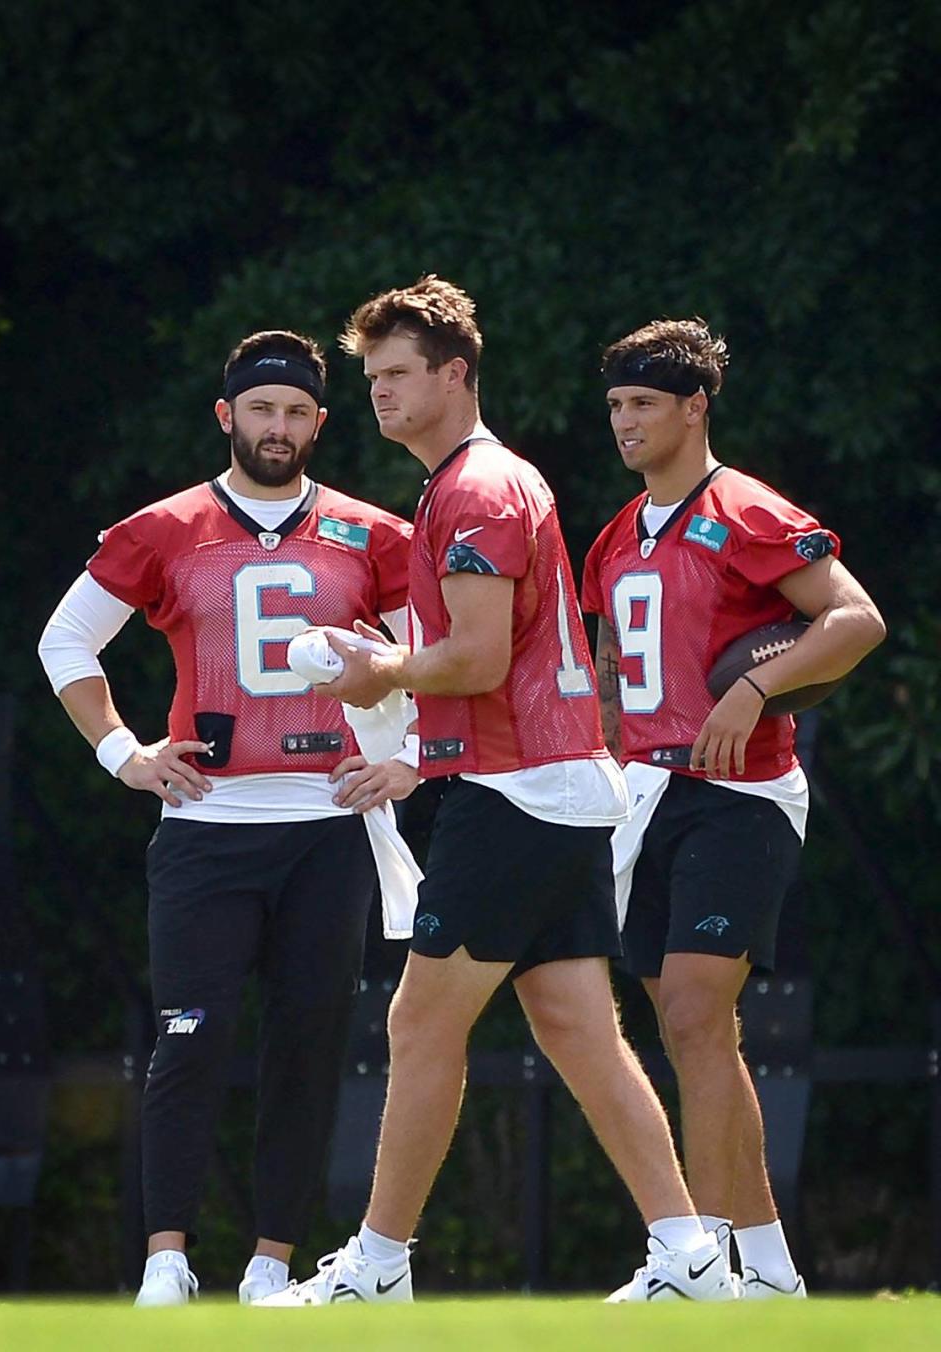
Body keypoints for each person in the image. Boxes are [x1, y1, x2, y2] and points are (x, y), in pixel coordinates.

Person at [258, 277, 737, 1307]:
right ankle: (691, 1252)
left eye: (397, 374)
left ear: (455, 374)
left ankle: (378, 1266)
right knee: (574, 1024)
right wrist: (395, 694)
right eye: (372, 376)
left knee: (419, 1021)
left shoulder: (474, 488)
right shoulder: (475, 483)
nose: (378, 393)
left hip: (516, 791)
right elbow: (493, 659)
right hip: (554, 783)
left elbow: (474, 659)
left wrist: (376, 672)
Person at [37, 330, 418, 1305]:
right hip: (209, 825)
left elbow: (442, 653)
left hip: (328, 827)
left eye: (295, 412)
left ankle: (272, 1264)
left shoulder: (375, 534)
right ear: (227, 415)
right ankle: (167, 1256)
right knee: (189, 1035)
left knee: (308, 1041)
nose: (278, 427)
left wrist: (407, 756)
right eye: (262, 409)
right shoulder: (164, 528)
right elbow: (67, 639)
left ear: (320, 424)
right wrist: (124, 752)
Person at [581, 318, 886, 1298]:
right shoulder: (616, 536)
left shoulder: (747, 510)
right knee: (691, 1029)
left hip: (740, 791)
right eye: (617, 404)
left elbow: (855, 618)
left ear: (695, 404)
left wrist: (753, 690)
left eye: (644, 404)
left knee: (693, 1010)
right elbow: (607, 674)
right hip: (648, 793)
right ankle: (767, 1269)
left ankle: (696, 1254)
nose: (625, 422)